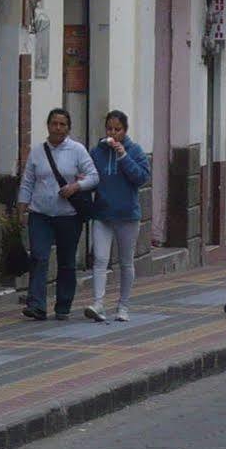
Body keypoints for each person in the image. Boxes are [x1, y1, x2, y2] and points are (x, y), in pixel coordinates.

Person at [16, 107, 98, 321]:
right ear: (48, 126)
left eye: (62, 124)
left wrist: (76, 187)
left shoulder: (77, 150)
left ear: (68, 128)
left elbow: (93, 176)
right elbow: (28, 181)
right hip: (40, 214)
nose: (58, 128)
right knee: (39, 257)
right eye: (54, 123)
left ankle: (63, 305)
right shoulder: (37, 151)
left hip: (68, 216)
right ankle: (37, 305)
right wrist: (22, 207)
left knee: (67, 261)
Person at [85, 110, 149, 322]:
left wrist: (123, 156)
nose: (112, 133)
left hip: (127, 216)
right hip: (102, 214)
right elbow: (90, 175)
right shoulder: (98, 151)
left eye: (117, 129)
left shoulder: (135, 150)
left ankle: (123, 306)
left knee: (125, 262)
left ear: (125, 130)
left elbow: (141, 178)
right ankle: (98, 303)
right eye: (109, 129)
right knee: (100, 259)